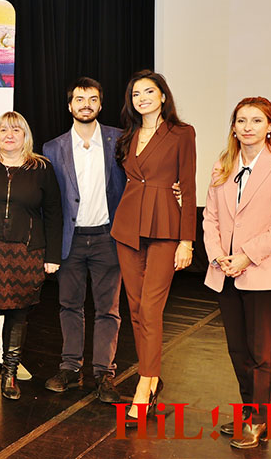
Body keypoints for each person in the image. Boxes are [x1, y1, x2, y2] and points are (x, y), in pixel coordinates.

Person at [203, 97, 271, 449]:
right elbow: (211, 218)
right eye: (241, 120)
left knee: (261, 353)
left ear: (270, 126)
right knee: (238, 351)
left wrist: (245, 257)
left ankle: (259, 421)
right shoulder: (223, 165)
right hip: (226, 272)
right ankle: (249, 412)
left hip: (264, 273)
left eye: (256, 120)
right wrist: (218, 257)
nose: (248, 127)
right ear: (233, 127)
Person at [111, 69, 196, 424]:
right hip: (128, 227)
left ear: (163, 96)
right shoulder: (127, 136)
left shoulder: (182, 133)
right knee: (135, 308)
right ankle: (152, 376)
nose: (142, 98)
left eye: (149, 91)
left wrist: (187, 241)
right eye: (136, 94)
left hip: (165, 227)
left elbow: (188, 186)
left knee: (150, 309)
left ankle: (144, 386)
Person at [0, 111, 62, 399]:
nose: (9, 135)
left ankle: (9, 374)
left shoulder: (41, 167)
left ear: (25, 135)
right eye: (4, 130)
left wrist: (53, 256)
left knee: (18, 316)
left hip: (26, 254)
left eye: (16, 130)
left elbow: (54, 213)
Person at [42, 78, 126, 403]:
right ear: (70, 106)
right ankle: (70, 368)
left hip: (108, 237)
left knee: (108, 310)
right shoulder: (53, 148)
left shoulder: (120, 140)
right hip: (71, 239)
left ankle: (104, 374)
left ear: (100, 105)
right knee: (69, 306)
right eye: (79, 99)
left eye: (92, 99)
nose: (86, 104)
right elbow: (50, 202)